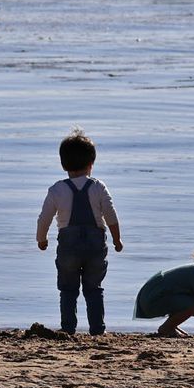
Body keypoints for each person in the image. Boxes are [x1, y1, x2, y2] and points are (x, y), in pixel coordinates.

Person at [36, 129, 123, 335]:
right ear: (91, 163)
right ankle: (97, 329)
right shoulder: (98, 187)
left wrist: (41, 239)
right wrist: (117, 240)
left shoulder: (57, 189)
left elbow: (44, 218)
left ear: (63, 164)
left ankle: (68, 328)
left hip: (68, 246)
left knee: (68, 289)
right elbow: (111, 215)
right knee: (94, 288)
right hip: (95, 245)